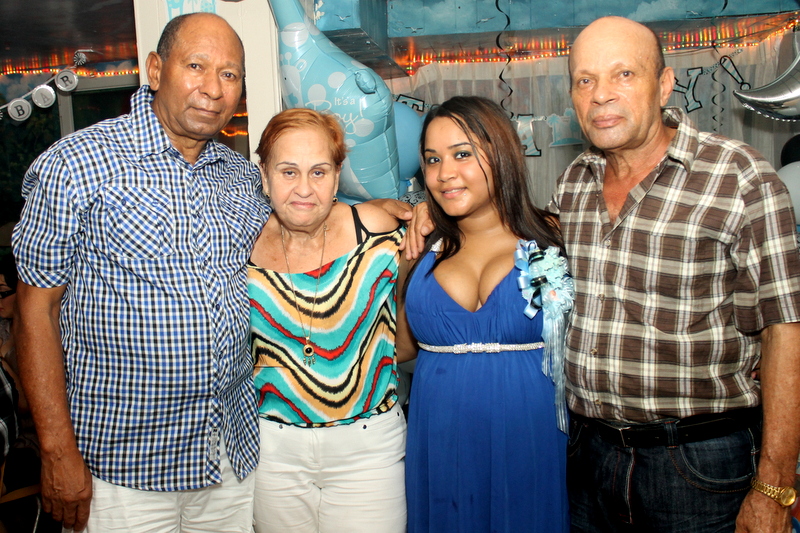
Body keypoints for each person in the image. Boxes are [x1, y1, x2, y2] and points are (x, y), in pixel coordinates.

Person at [11, 12, 412, 532]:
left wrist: (395, 210)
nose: (213, 88)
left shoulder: (241, 177)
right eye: (196, 66)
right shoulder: (76, 166)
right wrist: (55, 449)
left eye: (230, 74)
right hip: (122, 468)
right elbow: (34, 311)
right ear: (155, 69)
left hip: (230, 462)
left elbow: (307, 208)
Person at [551, 16, 800, 533]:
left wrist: (775, 486)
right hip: (588, 455)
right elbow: (511, 243)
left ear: (664, 84)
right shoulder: (574, 181)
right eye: (584, 79)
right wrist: (424, 215)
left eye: (624, 74)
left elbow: (786, 330)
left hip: (698, 464)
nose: (600, 94)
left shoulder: (738, 175)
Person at [400, 96, 572, 532]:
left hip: (530, 436)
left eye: (462, 154)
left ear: (501, 154)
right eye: (432, 159)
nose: (444, 173)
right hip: (439, 434)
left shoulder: (555, 237)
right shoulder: (421, 248)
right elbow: (400, 349)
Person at [248, 108, 408, 532]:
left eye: (319, 172)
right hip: (273, 452)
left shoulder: (377, 229)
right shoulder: (241, 245)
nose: (304, 188)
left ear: (337, 177)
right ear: (264, 175)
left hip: (369, 450)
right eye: (288, 172)